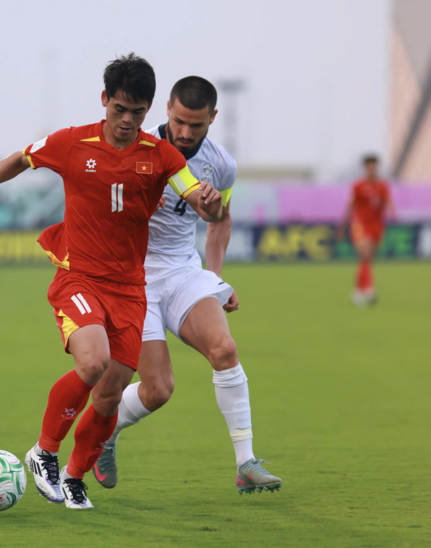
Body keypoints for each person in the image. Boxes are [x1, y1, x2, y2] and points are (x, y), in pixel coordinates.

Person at [0, 54, 223, 509]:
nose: (127, 121)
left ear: (149, 110)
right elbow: (20, 159)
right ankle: (44, 451)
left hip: (131, 290)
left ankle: (74, 476)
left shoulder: (161, 155)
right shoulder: (72, 142)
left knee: (110, 393)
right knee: (93, 361)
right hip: (79, 277)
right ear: (104, 100)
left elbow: (197, 197)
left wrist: (211, 203)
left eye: (137, 112)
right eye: (119, 109)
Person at [93, 76, 283, 495]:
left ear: (212, 117)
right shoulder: (135, 147)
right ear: (166, 109)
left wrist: (215, 277)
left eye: (195, 125)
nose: (184, 132)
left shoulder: (222, 165)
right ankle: (105, 433)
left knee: (225, 349)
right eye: (178, 121)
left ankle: (246, 462)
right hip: (134, 277)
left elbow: (220, 220)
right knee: (158, 390)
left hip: (182, 271)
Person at [337, 155, 394, 305]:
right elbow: (351, 206)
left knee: (367, 259)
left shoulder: (383, 186)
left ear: (377, 167)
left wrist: (392, 211)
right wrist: (343, 225)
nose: (371, 169)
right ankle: (369, 289)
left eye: (374, 166)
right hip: (361, 224)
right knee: (365, 254)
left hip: (377, 226)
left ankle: (357, 291)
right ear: (365, 168)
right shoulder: (358, 186)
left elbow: (387, 202)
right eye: (369, 166)